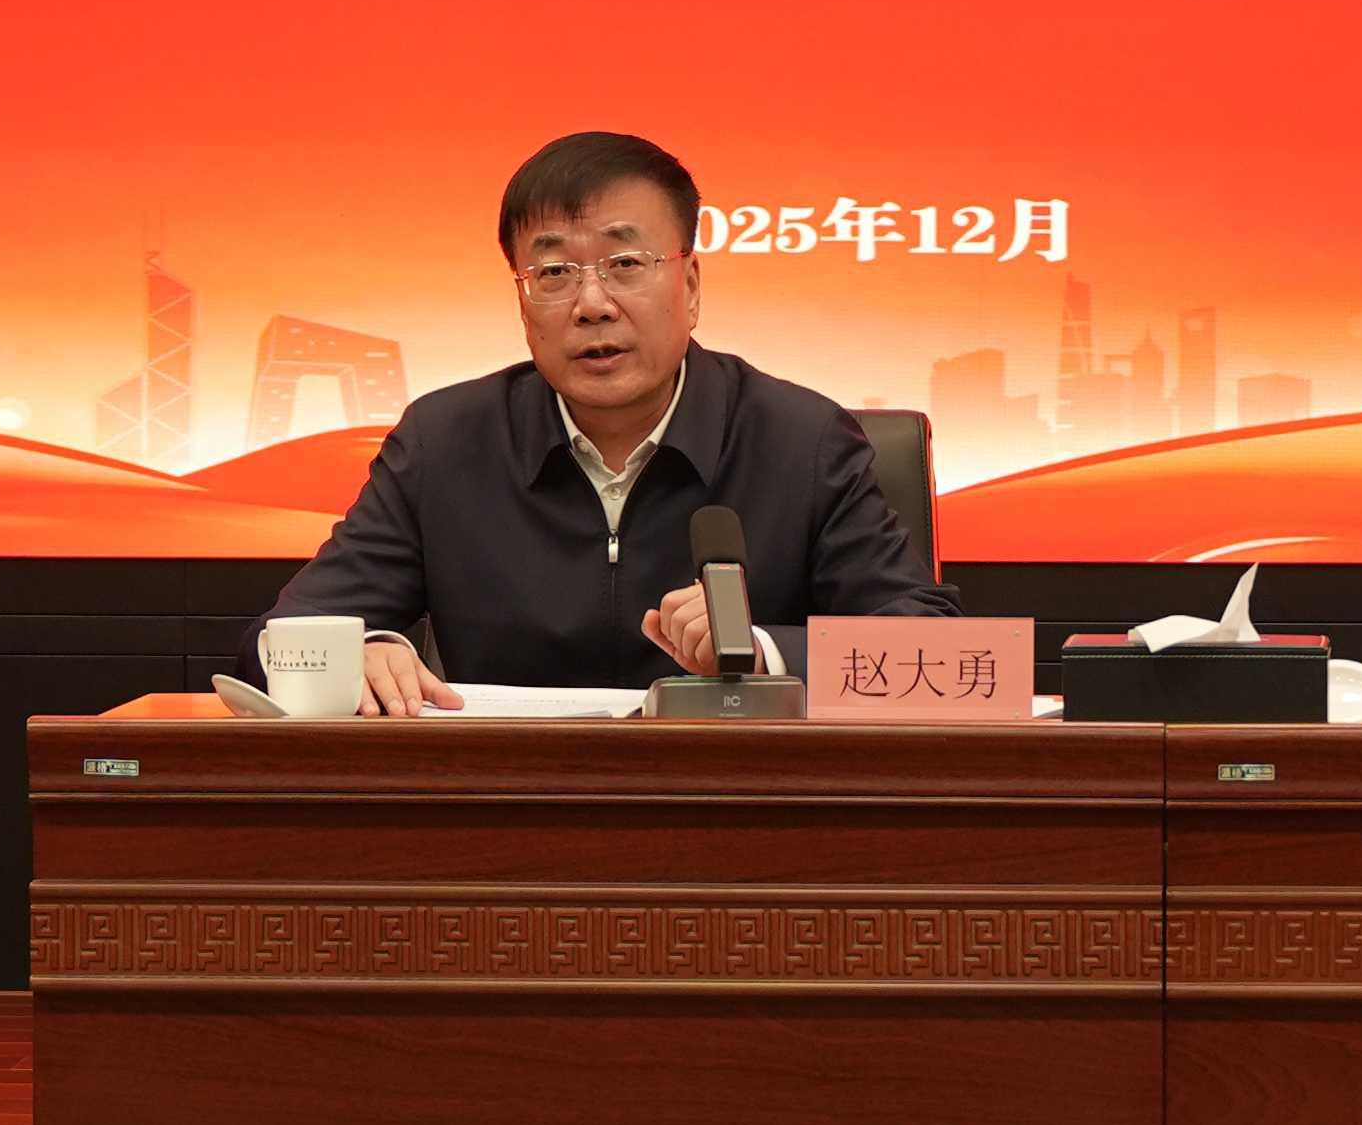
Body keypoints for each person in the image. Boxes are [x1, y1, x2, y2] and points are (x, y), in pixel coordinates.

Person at [273, 130, 952, 712]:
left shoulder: (801, 440)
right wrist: (356, 653)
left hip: (734, 803)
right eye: (553, 273)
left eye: (626, 264)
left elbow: (935, 651)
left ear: (690, 286)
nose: (591, 304)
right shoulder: (445, 442)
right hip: (512, 801)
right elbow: (278, 639)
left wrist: (761, 650)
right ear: (522, 300)